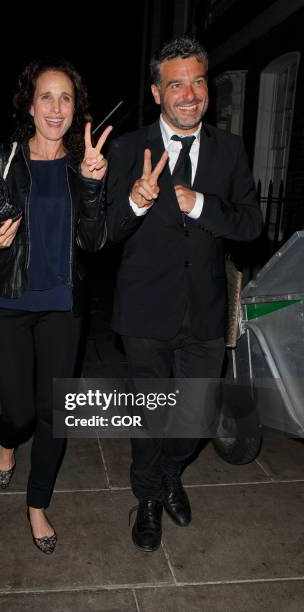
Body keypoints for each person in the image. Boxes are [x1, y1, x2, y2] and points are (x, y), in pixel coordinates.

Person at [106, 36, 262, 552]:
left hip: (206, 312)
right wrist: (132, 201)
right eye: (176, 84)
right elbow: (103, 233)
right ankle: (149, 497)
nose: (189, 94)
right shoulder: (129, 149)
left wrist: (200, 204)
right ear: (157, 92)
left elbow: (250, 226)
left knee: (192, 418)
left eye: (198, 81)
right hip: (145, 311)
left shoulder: (230, 150)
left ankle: (171, 471)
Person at [0, 58, 111, 554]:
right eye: (46, 97)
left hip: (62, 307)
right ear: (30, 106)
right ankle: (8, 441)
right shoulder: (5, 158)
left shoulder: (83, 166)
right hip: (11, 301)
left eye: (66, 98)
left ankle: (37, 505)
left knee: (56, 412)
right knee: (22, 410)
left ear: (76, 109)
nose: (56, 107)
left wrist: (94, 186)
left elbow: (95, 242)